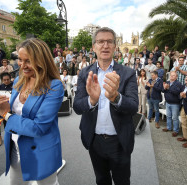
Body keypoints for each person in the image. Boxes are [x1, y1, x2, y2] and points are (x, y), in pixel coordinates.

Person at [0, 38, 64, 185]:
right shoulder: (18, 81)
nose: (22, 66)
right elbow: (10, 111)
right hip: (15, 146)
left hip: (41, 149)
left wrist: (6, 114)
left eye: (28, 61)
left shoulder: (54, 86)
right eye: (20, 60)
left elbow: (39, 127)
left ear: (42, 60)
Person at [73, 27, 138, 185]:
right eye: (100, 41)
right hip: (95, 141)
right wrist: (92, 100)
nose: (105, 45)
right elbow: (77, 107)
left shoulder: (128, 73)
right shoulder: (84, 74)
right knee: (101, 180)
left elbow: (133, 107)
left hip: (120, 140)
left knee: (122, 181)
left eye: (109, 41)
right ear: (94, 47)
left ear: (115, 46)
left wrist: (115, 97)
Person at [162, 71, 183, 137]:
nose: (171, 76)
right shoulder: (168, 82)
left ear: (176, 77)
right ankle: (169, 127)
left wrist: (169, 88)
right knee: (168, 116)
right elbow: (163, 91)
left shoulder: (178, 84)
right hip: (168, 102)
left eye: (173, 75)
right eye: (171, 75)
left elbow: (177, 92)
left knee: (174, 118)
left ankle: (176, 130)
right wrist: (164, 88)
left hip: (175, 104)